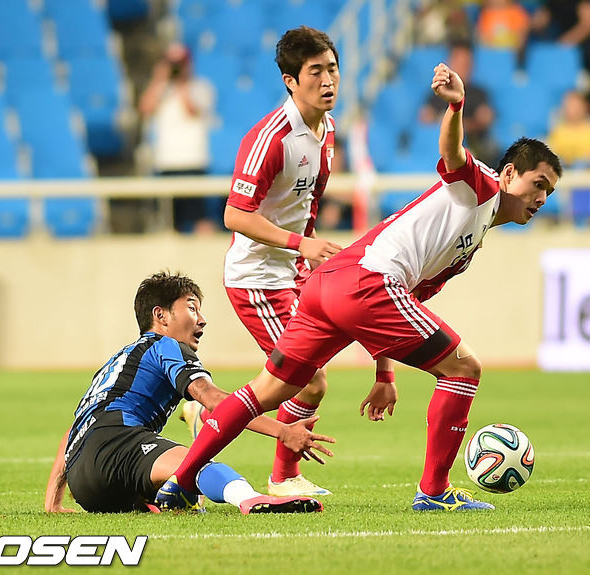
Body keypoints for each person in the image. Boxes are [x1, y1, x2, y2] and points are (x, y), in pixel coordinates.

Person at [159, 61, 563, 513]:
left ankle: (180, 481)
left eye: (549, 191)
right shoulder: (483, 187)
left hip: (330, 284)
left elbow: (401, 302)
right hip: (366, 283)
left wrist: (385, 374)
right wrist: (456, 106)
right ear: (509, 174)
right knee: (464, 370)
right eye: (537, 183)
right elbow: (453, 153)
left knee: (266, 391)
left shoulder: (470, 234)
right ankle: (434, 492)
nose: (541, 198)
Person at [192, 25, 343, 499]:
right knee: (310, 381)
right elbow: (235, 215)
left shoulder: (327, 130)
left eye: (332, 69)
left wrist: (307, 254)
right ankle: (279, 475)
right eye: (315, 72)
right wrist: (301, 245)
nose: (327, 80)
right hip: (256, 277)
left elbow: (307, 205)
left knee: (309, 381)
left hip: (292, 271)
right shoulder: (271, 138)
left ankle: (215, 418)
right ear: (290, 81)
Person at [44, 272, 334, 514]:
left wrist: (53, 501)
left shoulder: (117, 362)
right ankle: (250, 499)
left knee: (186, 497)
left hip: (84, 483)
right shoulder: (165, 346)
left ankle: (168, 486)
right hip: (118, 443)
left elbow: (75, 429)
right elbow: (216, 400)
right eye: (192, 308)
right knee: (196, 467)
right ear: (161, 315)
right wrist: (282, 431)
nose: (202, 319)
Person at [138, 43, 219, 234]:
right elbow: (145, 108)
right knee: (171, 221)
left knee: (199, 217)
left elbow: (192, 110)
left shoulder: (200, 87)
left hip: (192, 161)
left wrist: (181, 83)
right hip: (166, 162)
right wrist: (158, 80)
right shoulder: (160, 89)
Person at [419, 40, 500, 168]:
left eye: (466, 64)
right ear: (450, 63)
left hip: (471, 149)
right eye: (459, 62)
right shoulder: (438, 92)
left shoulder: (479, 94)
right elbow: (424, 119)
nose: (463, 67)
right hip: (440, 148)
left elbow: (485, 119)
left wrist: (456, 127)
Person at [546, 90, 590, 169]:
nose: (573, 110)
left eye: (576, 106)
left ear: (585, 107)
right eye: (569, 106)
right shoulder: (557, 131)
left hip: (588, 170)